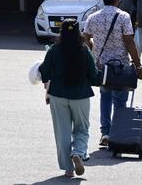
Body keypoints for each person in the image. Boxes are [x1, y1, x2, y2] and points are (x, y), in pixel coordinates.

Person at [83, 0, 142, 147]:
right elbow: (129, 41)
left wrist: (93, 50)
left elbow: (85, 38)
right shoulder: (123, 16)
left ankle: (106, 133)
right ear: (117, 0)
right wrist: (138, 66)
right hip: (121, 66)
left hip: (102, 66)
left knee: (105, 97)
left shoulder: (93, 17)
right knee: (120, 100)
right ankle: (118, 132)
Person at [40, 19, 98, 178]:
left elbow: (44, 71)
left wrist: (48, 80)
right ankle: (78, 152)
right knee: (82, 128)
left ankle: (68, 169)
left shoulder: (54, 49)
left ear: (62, 32)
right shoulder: (84, 50)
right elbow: (93, 76)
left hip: (58, 95)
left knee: (62, 132)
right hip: (80, 95)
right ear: (78, 32)